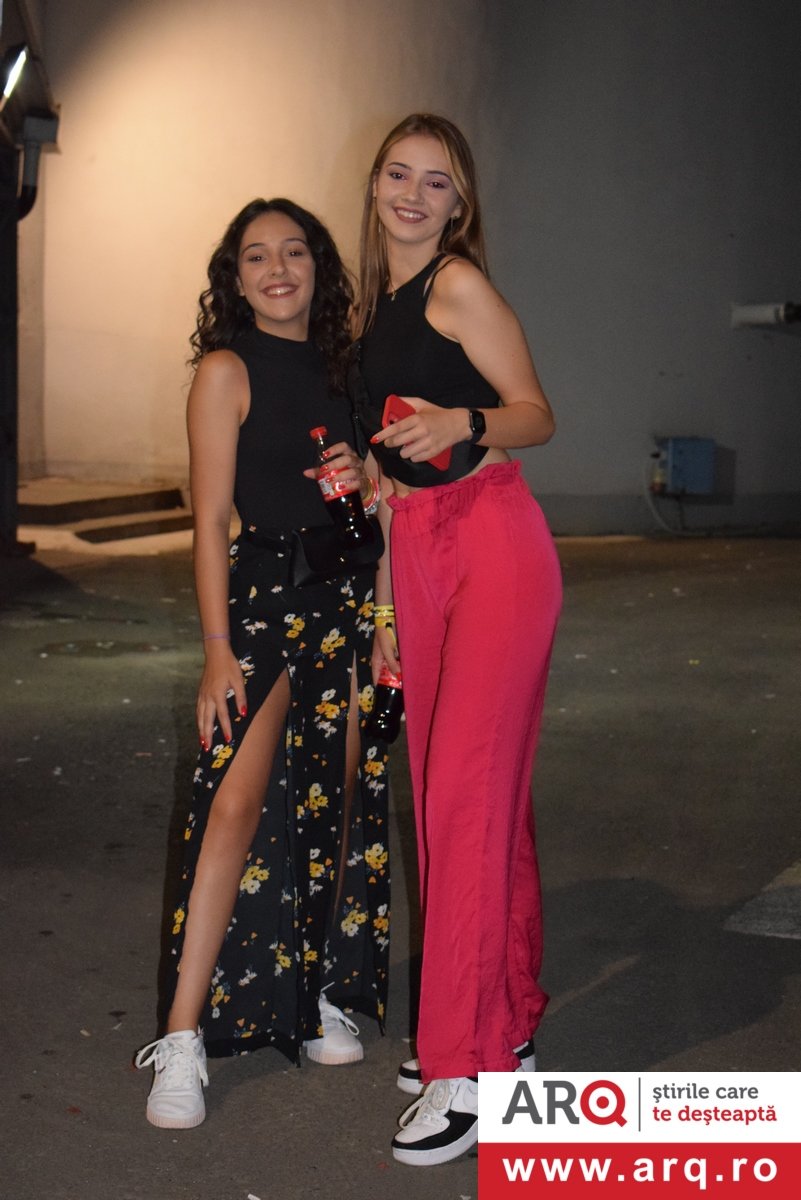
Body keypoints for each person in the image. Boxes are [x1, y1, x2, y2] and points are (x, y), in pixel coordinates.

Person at [135, 198, 389, 1130]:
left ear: (319, 268)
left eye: (293, 252)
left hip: (346, 603)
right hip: (263, 603)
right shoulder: (226, 371)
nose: (277, 269)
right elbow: (209, 522)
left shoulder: (348, 371)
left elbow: (374, 506)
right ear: (235, 279)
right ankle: (182, 1037)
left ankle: (316, 990)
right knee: (233, 805)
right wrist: (215, 653)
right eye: (256, 257)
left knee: (336, 797)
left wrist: (372, 494)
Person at [351, 114, 562, 1166]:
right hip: (422, 555)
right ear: (375, 184)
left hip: (493, 544)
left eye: (437, 182)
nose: (413, 194)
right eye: (400, 174)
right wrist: (389, 600)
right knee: (468, 801)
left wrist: (464, 423)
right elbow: (387, 478)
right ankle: (502, 1020)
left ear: (459, 203)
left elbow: (535, 414)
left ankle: (463, 1068)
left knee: (461, 801)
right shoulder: (374, 309)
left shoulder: (457, 286)